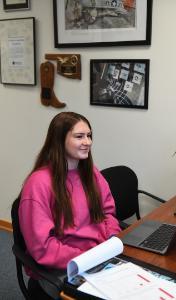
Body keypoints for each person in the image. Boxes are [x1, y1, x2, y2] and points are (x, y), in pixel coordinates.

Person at [18, 111, 121, 299]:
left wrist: (112, 242)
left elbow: (108, 213)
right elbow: (42, 248)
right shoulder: (38, 184)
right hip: (65, 268)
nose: (88, 142)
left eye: (89, 136)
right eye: (79, 136)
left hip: (100, 257)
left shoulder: (91, 173)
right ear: (59, 140)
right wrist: (87, 256)